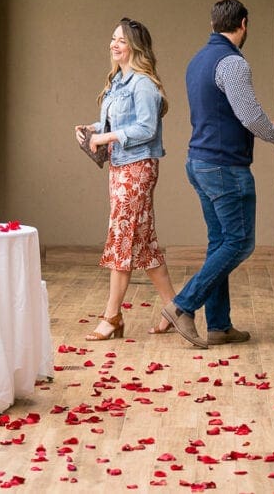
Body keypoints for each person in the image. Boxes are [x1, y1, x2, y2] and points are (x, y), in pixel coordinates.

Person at [162, 0, 274, 348]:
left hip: (199, 162)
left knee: (220, 242)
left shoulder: (197, 60)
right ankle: (183, 305)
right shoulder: (232, 62)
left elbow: (224, 114)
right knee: (239, 242)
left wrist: (259, 127)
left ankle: (219, 325)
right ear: (243, 24)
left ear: (214, 23)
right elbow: (247, 113)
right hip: (224, 167)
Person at [75, 17, 178, 341]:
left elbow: (146, 128)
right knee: (144, 244)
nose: (113, 44)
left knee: (122, 237)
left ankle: (112, 317)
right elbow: (119, 121)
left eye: (121, 40)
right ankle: (177, 311)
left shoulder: (144, 84)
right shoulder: (117, 82)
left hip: (138, 168)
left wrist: (108, 138)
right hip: (121, 166)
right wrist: (94, 129)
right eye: (113, 39)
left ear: (136, 46)